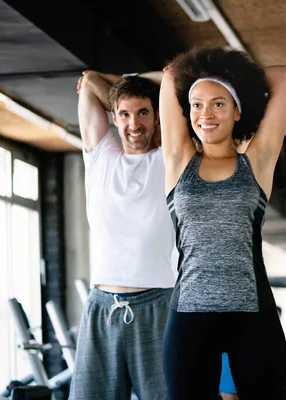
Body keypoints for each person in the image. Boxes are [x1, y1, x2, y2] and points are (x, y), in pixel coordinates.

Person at [160, 47, 286, 399]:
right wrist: (210, 77)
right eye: (197, 105)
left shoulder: (258, 162)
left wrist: (234, 76)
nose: (206, 114)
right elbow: (171, 75)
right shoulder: (178, 161)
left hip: (253, 317)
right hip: (189, 315)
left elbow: (284, 77)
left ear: (237, 111)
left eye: (219, 103)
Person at [71, 70, 176, 399]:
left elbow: (174, 81)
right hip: (102, 308)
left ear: (157, 116)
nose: (134, 124)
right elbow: (88, 83)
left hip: (157, 306)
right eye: (125, 114)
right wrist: (115, 82)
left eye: (143, 112)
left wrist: (123, 82)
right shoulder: (99, 157)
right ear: (113, 117)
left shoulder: (169, 160)